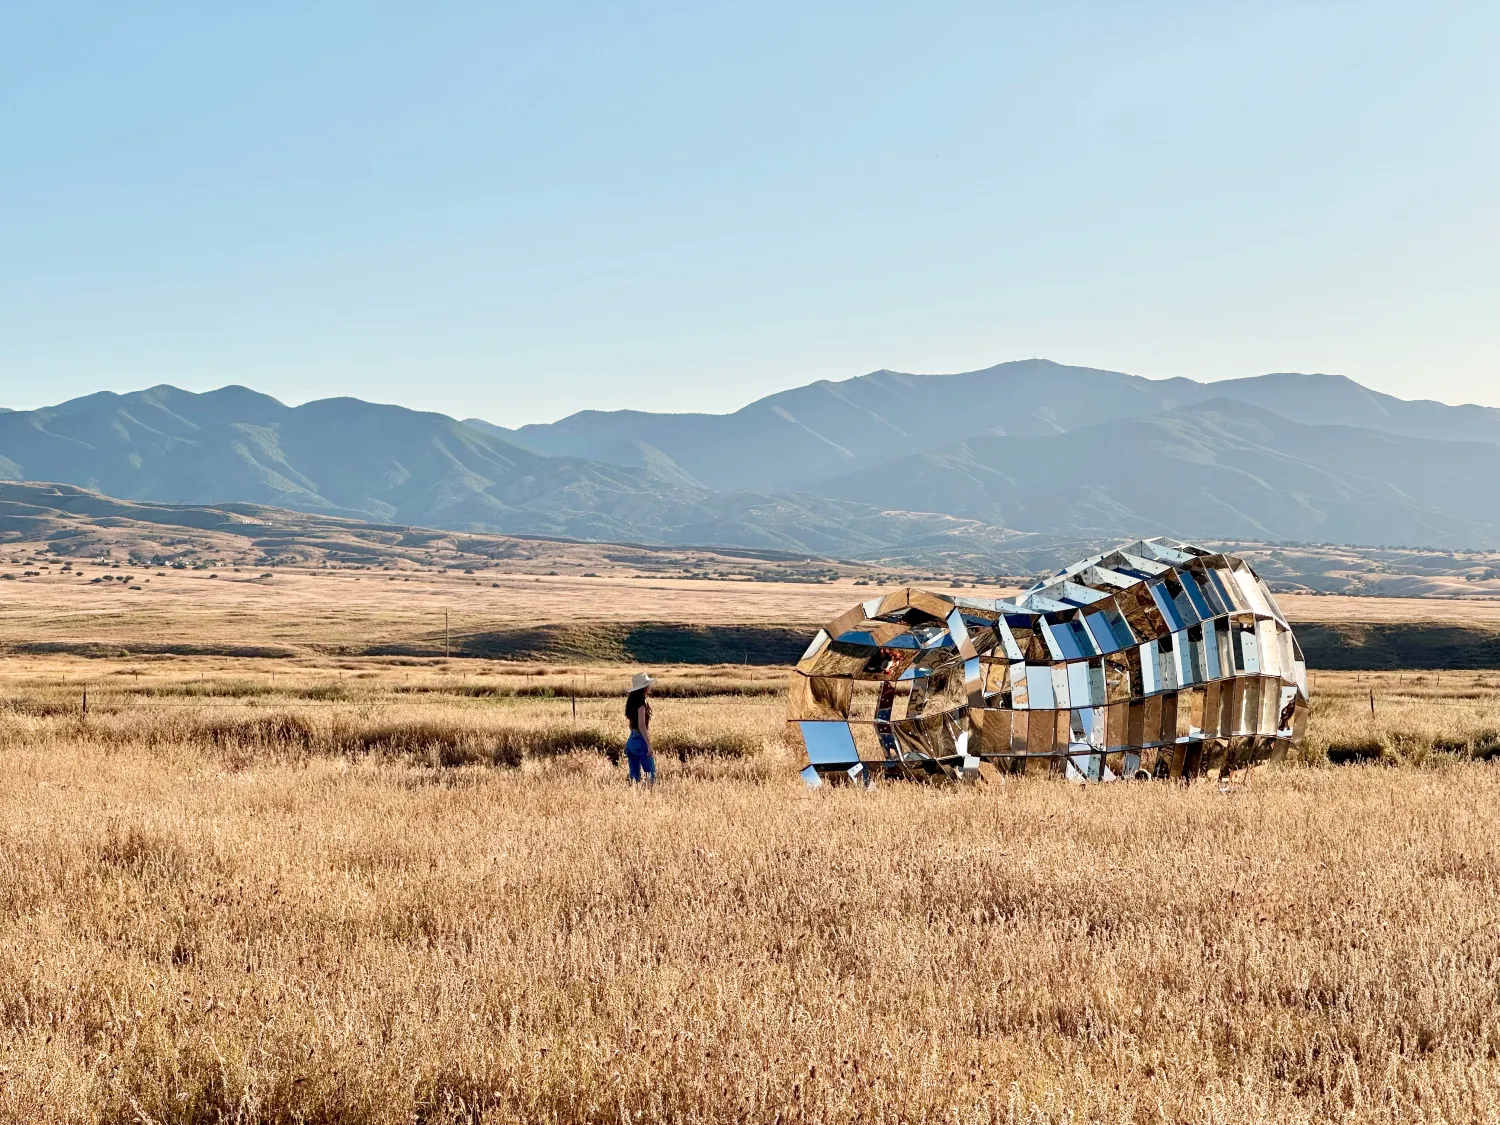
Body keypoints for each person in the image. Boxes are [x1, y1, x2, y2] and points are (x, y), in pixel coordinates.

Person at [624, 672, 656, 785]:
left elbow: (631, 724)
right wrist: (649, 744)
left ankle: (633, 796)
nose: (650, 687)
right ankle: (650, 796)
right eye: (648, 685)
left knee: (634, 776)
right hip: (640, 740)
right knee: (650, 773)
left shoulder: (631, 703)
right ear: (644, 687)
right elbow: (641, 725)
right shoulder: (641, 703)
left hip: (631, 741)